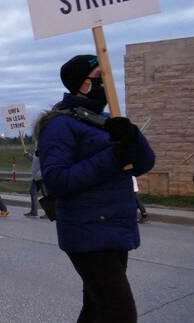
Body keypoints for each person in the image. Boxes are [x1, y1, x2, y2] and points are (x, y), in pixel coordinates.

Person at [36, 54, 156, 322]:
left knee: (95, 309)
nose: (106, 84)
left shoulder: (104, 120)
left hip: (114, 228)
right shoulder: (60, 125)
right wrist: (112, 158)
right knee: (120, 314)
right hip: (87, 232)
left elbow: (144, 164)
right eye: (99, 78)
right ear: (81, 83)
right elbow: (57, 179)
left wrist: (132, 136)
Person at [23, 147, 45, 217]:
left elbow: (45, 163)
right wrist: (27, 155)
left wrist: (40, 174)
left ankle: (50, 213)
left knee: (46, 195)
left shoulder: (44, 150)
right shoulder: (37, 150)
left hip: (42, 177)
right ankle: (34, 211)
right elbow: (34, 160)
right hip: (35, 177)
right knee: (32, 191)